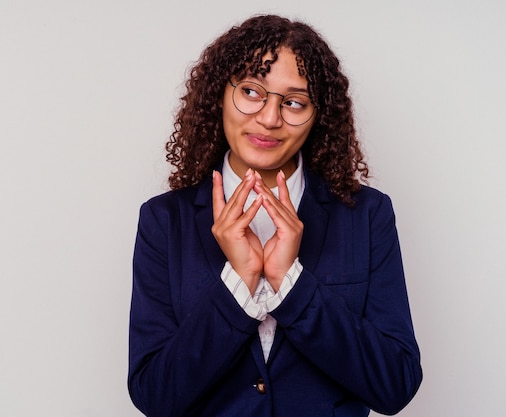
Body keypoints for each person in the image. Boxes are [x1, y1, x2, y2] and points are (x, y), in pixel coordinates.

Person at [128, 14, 422, 417]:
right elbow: (155, 396)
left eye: (294, 102)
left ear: (319, 115)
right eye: (251, 92)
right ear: (219, 94)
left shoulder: (367, 215)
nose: (269, 118)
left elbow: (395, 385)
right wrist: (239, 286)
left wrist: (292, 285)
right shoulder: (164, 221)